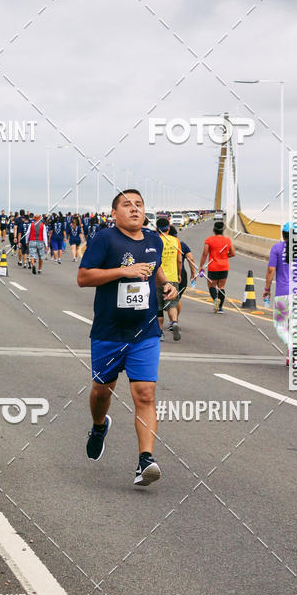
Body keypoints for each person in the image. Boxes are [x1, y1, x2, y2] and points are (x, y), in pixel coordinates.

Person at [78, 189, 177, 487]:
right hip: (109, 332)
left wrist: (166, 285)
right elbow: (83, 278)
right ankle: (98, 427)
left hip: (144, 331)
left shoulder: (153, 240)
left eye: (139, 204)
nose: (134, 209)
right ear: (114, 213)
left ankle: (145, 460)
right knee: (102, 391)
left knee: (145, 393)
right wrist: (123, 271)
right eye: (126, 205)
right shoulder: (104, 239)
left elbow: (155, 269)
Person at [263, 222, 297, 365]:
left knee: (280, 325)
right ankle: (293, 354)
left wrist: (267, 289)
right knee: (296, 325)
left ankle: (291, 347)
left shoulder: (277, 248)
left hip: (283, 293)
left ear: (283, 234)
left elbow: (271, 270)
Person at [199, 219, 235, 314]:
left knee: (211, 285)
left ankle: (215, 300)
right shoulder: (227, 240)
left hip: (213, 266)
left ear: (213, 230)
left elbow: (205, 254)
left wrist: (201, 266)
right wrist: (224, 256)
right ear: (223, 230)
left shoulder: (209, 240)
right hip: (224, 266)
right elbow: (233, 253)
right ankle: (220, 308)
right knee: (221, 287)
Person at [155, 217, 182, 341]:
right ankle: (174, 322)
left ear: (156, 229)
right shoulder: (175, 240)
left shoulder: (155, 240)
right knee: (172, 303)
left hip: (158, 278)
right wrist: (179, 274)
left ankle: (160, 332)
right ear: (168, 228)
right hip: (172, 277)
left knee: (158, 306)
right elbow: (180, 260)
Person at [169, 225, 197, 321]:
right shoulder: (182, 244)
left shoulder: (163, 243)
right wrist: (193, 273)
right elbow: (191, 258)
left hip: (166, 274)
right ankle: (174, 321)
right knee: (177, 298)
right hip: (181, 274)